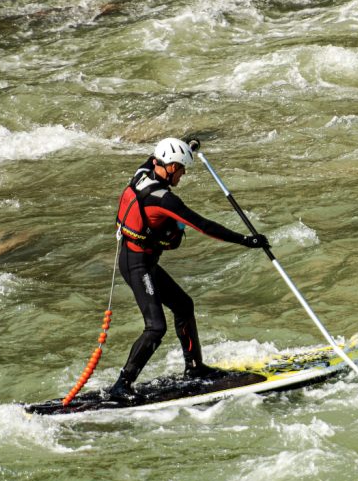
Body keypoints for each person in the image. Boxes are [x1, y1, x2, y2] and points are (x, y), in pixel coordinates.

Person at [108, 136, 269, 400]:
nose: (182, 175)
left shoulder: (144, 171)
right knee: (155, 327)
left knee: (184, 305)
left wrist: (188, 146)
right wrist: (246, 240)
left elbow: (160, 155)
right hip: (136, 265)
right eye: (181, 169)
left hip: (143, 260)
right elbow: (204, 226)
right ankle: (121, 386)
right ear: (170, 166)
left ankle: (195, 368)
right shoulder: (163, 200)